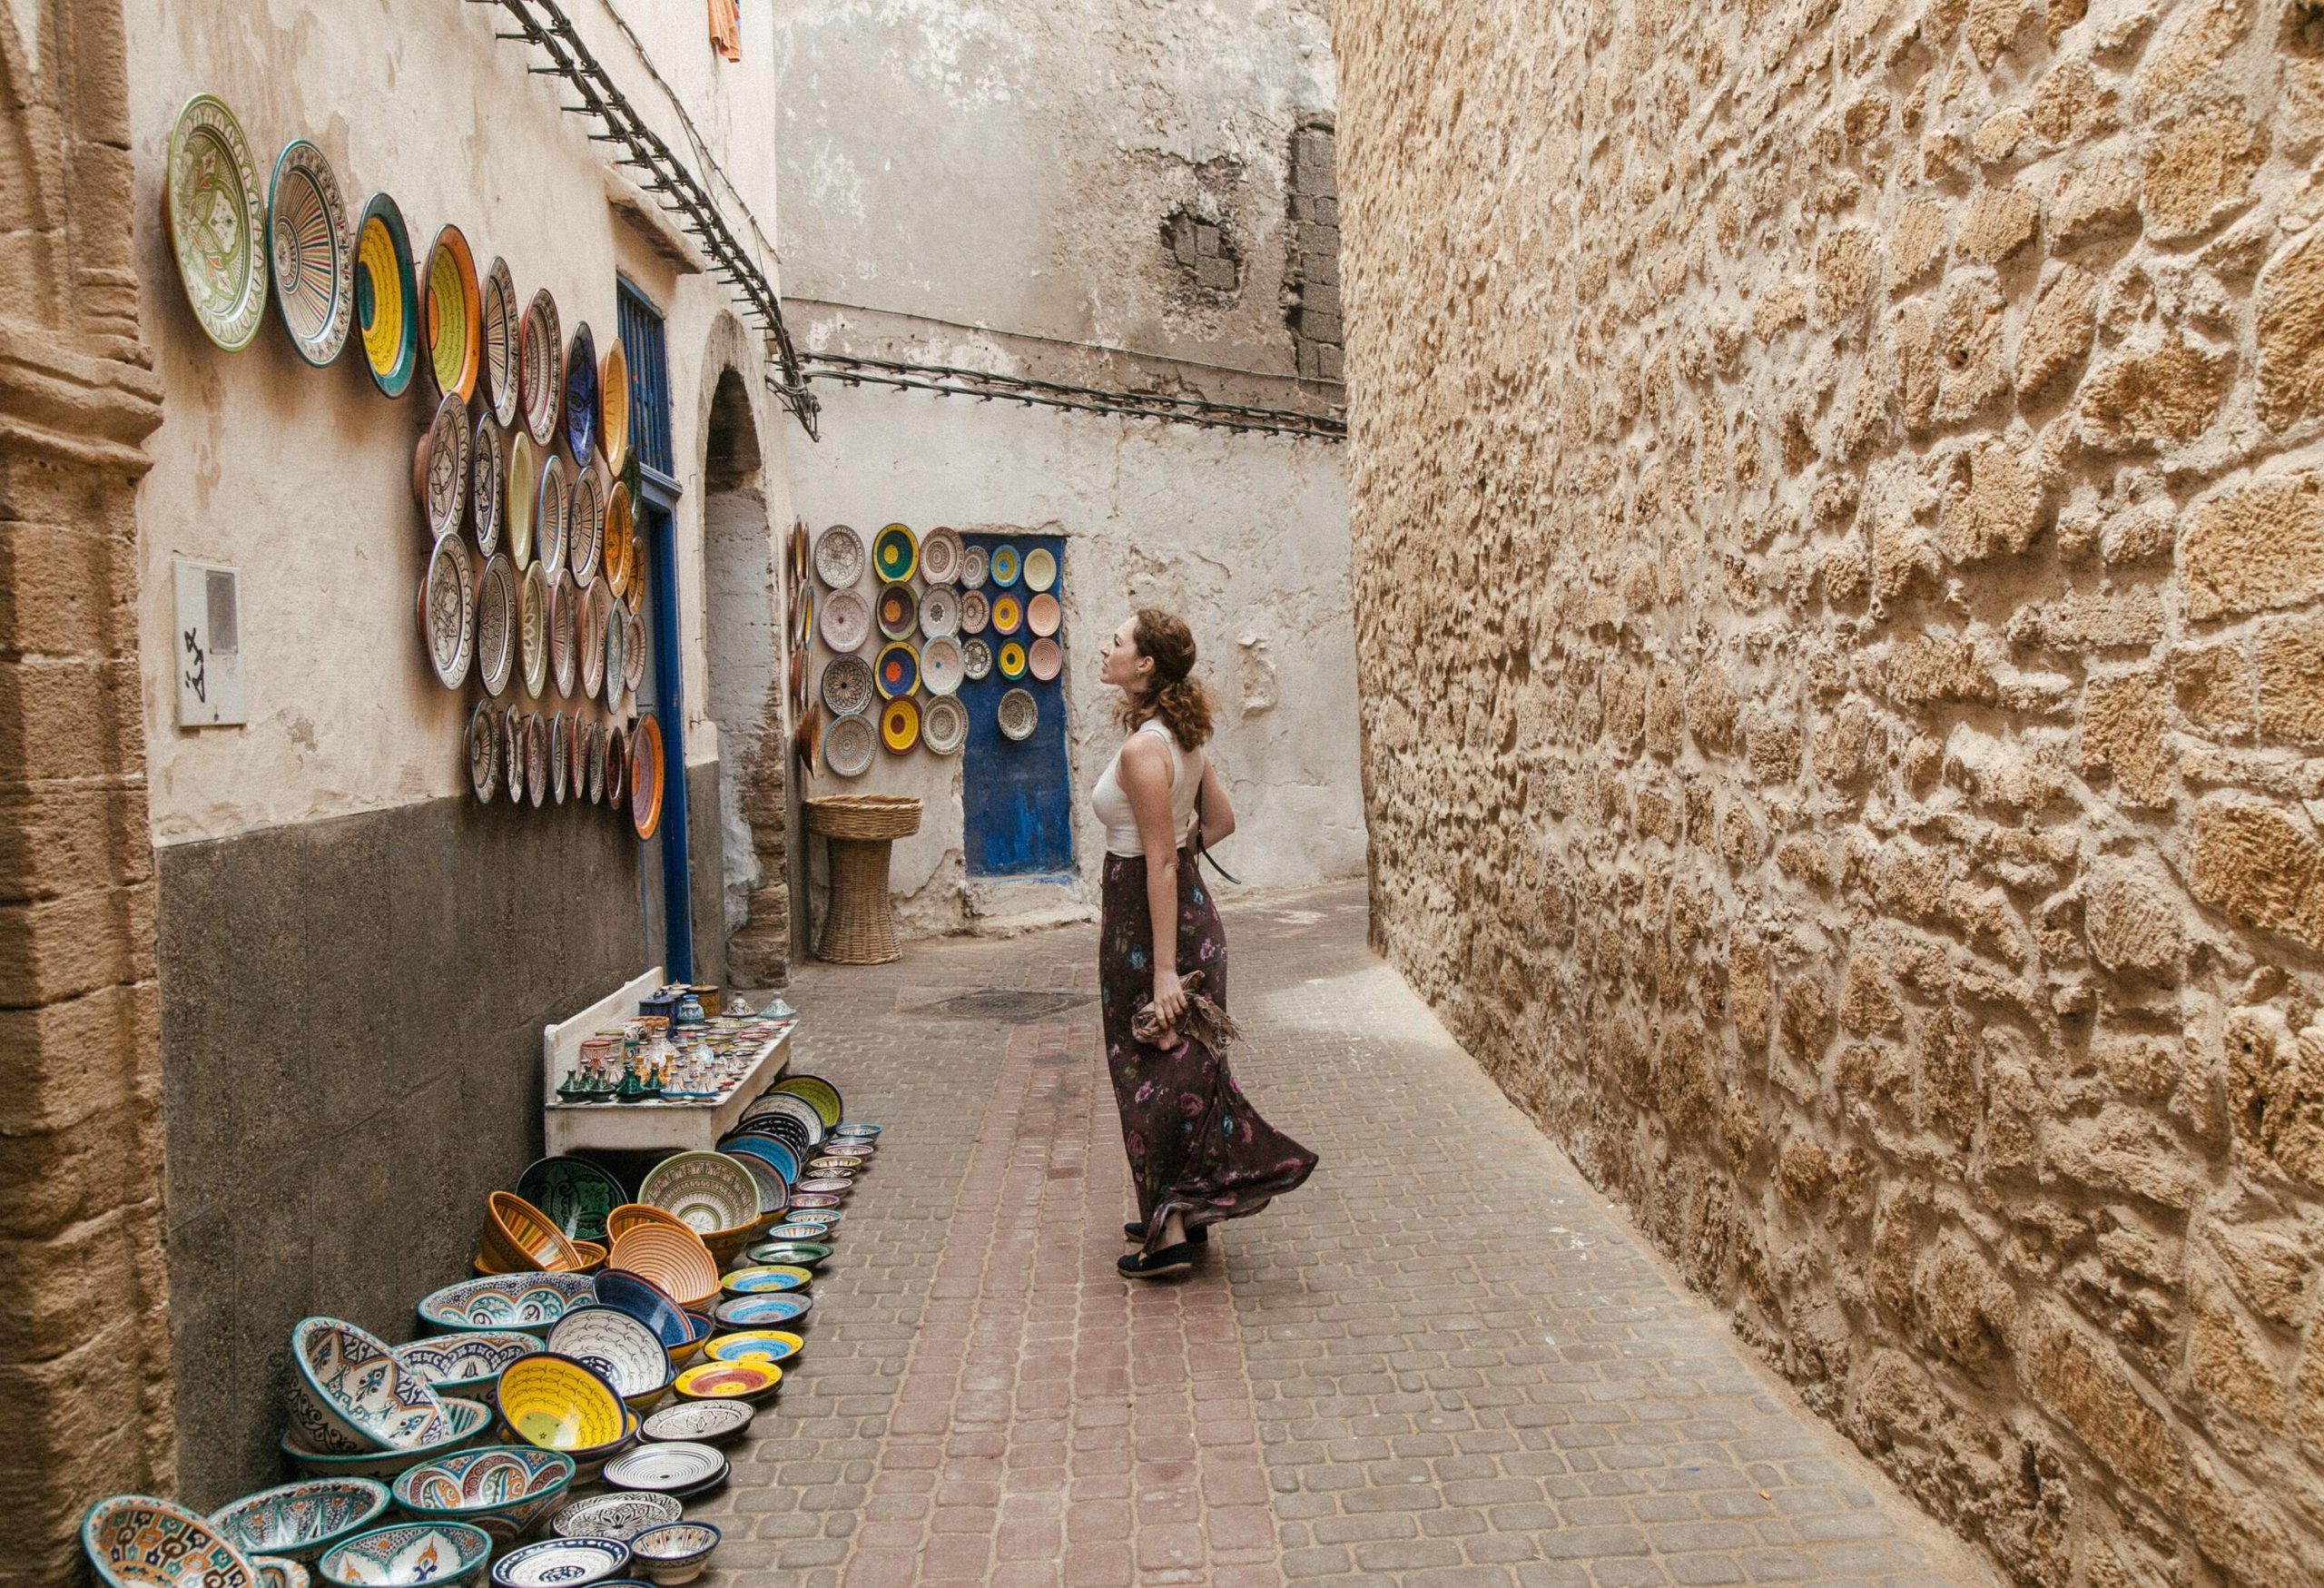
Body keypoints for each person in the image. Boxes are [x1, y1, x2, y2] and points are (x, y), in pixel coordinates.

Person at [1090, 608, 1316, 1277]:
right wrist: (1182, 851)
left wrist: (1163, 971)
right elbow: (1219, 820)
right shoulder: (1178, 740)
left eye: (1119, 641)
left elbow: (1157, 862)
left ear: (1146, 665)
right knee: (1182, 1068)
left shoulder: (1143, 750)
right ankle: (1177, 1208)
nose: (1108, 646)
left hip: (1149, 917)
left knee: (1147, 1067)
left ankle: (1166, 1243)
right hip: (1191, 914)